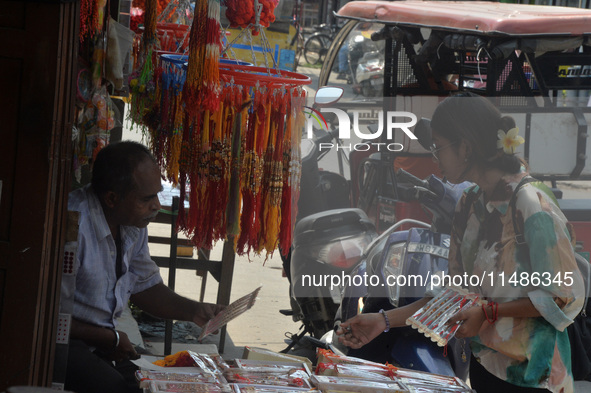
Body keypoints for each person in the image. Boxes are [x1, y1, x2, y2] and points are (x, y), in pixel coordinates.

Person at [337, 92, 584, 393]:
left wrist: (490, 312)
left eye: (438, 146)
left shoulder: (532, 206)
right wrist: (383, 320)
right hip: (486, 368)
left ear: (465, 148)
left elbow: (562, 295)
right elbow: (454, 293)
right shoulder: (468, 205)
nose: (434, 156)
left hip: (535, 376)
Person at [63, 141, 225, 393]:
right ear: (112, 198)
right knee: (116, 386)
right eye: (147, 198)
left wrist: (194, 311)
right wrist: (110, 338)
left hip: (103, 341)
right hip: (61, 342)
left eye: (157, 194)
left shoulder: (130, 223)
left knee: (159, 382)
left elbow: (145, 286)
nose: (157, 206)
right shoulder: (72, 224)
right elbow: (48, 317)